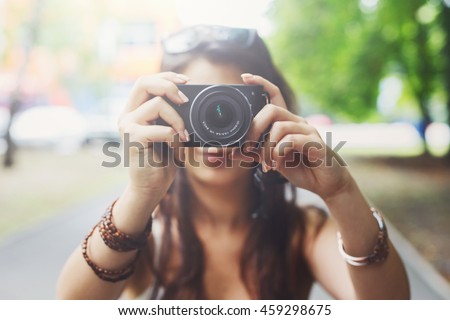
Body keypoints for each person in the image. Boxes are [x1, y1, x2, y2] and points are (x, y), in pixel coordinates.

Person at [57, 25, 410, 299]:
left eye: (232, 107)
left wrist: (341, 191)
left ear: (272, 111)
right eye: (197, 108)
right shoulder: (144, 235)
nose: (217, 130)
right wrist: (140, 195)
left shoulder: (301, 232)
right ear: (161, 114)